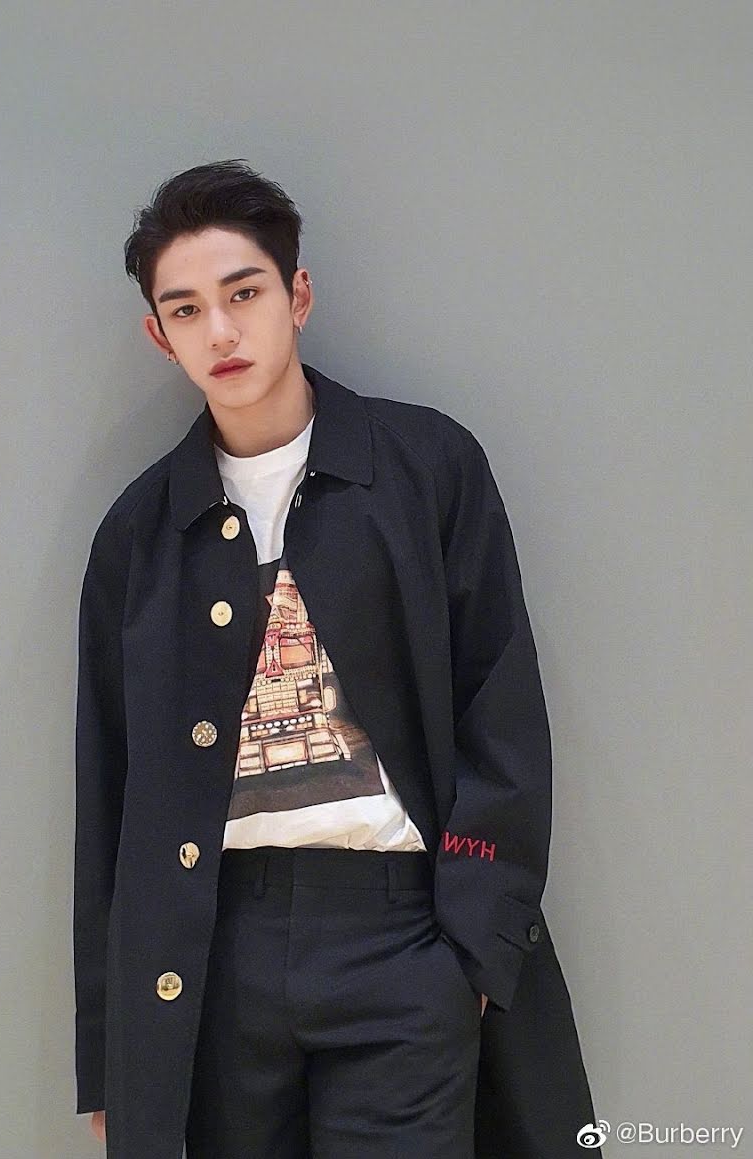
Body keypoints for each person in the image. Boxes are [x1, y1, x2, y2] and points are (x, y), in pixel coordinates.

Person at [73, 159, 600, 1157]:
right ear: (159, 335)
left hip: (402, 941)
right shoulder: (140, 537)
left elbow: (501, 715)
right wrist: (112, 1050)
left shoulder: (427, 469)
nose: (220, 332)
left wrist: (470, 949)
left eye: (244, 293)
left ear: (298, 295)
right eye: (186, 310)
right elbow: (109, 799)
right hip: (214, 961)